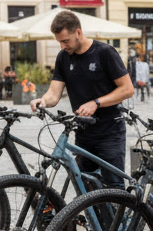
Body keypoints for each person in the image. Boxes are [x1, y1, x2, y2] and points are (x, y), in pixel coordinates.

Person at [30, 10, 134, 187]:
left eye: (65, 41)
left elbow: (127, 89)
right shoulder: (63, 57)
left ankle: (117, 215)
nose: (63, 46)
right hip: (84, 133)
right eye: (59, 42)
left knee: (114, 187)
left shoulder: (105, 52)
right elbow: (54, 93)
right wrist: (43, 101)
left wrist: (96, 103)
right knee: (86, 186)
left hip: (110, 132)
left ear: (78, 32)